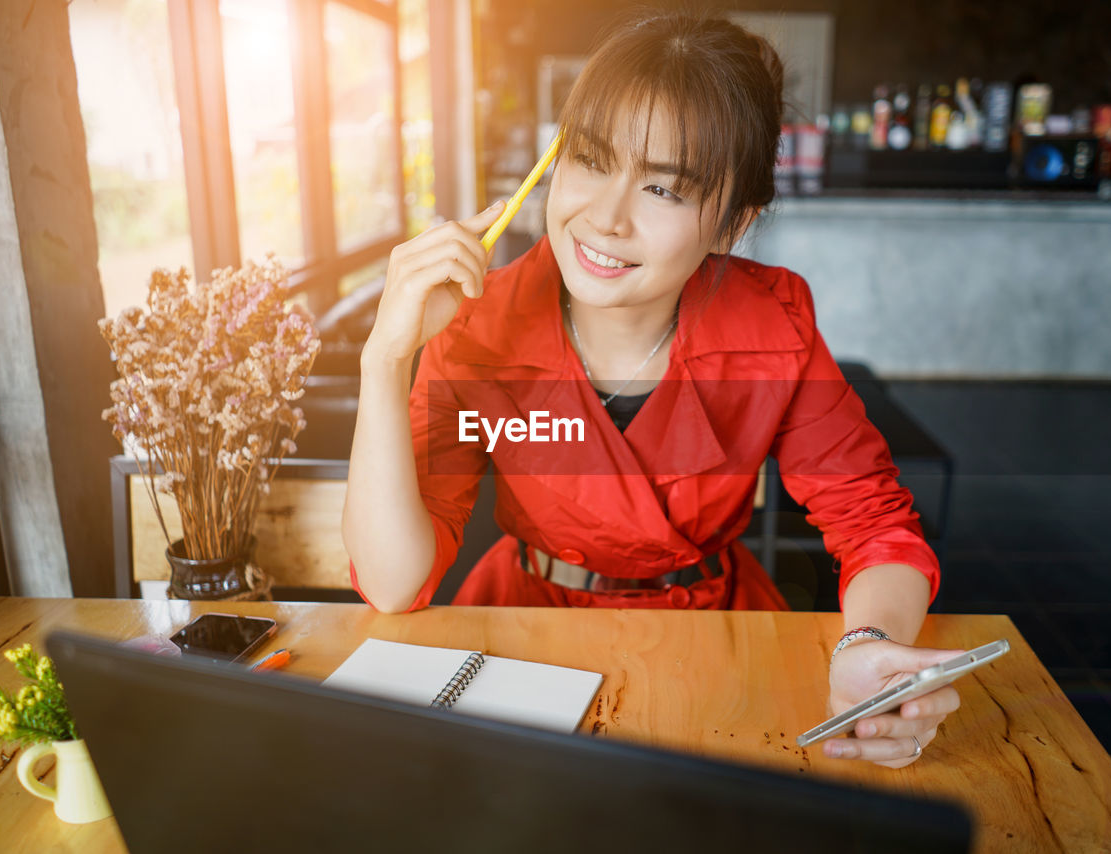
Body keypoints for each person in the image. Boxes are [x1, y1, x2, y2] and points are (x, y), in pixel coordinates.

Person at [343, 11, 961, 768]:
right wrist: (384, 357)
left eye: (664, 188)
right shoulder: (478, 326)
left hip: (717, 637)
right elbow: (392, 583)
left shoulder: (774, 320)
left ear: (733, 222)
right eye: (591, 159)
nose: (604, 218)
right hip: (523, 638)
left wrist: (869, 647)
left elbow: (874, 526)